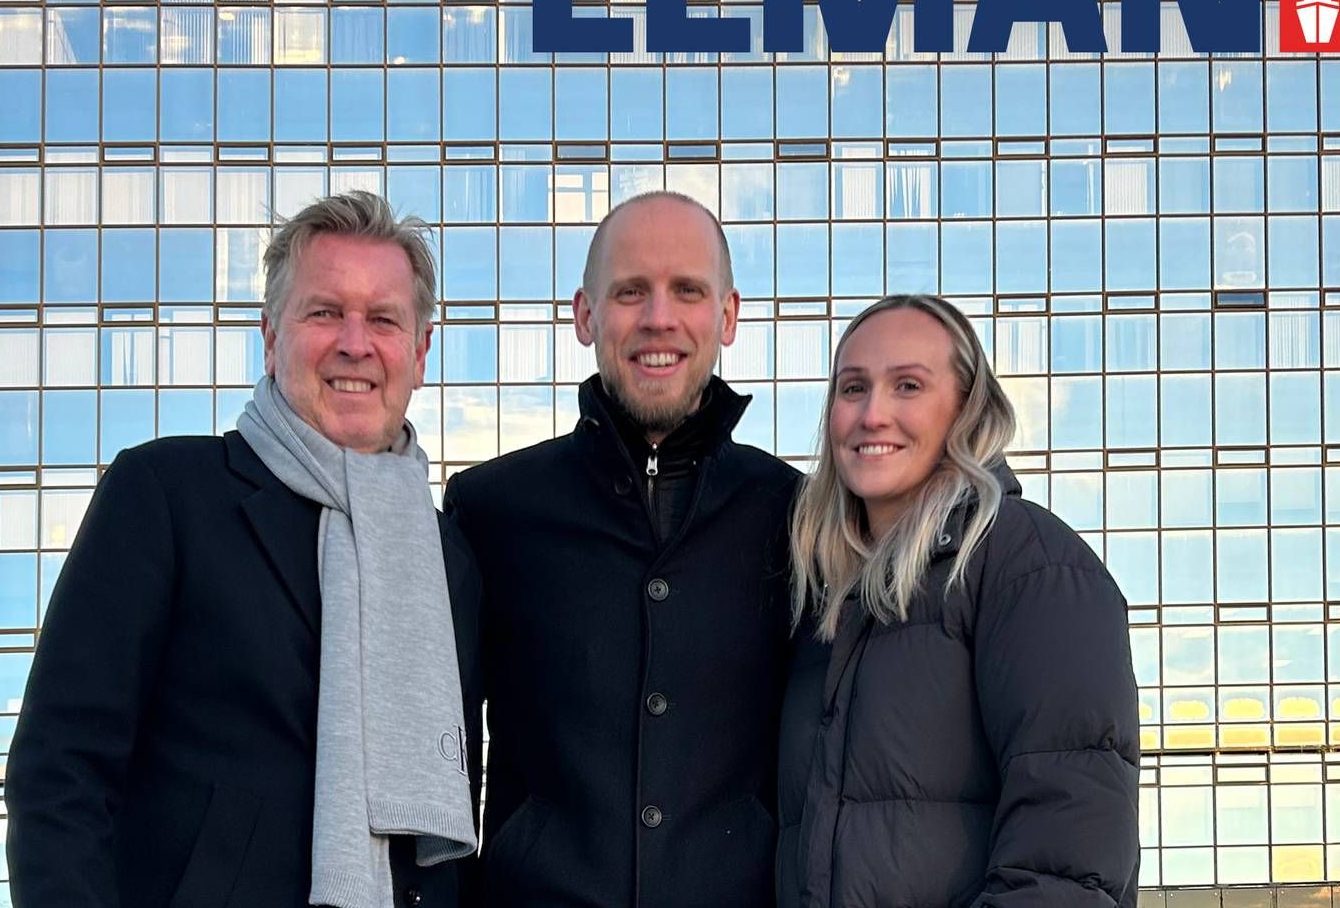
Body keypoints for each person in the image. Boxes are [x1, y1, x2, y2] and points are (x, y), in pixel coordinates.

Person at [6, 191, 482, 908]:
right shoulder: (166, 495)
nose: (356, 342)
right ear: (270, 334)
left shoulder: (451, 558)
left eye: (383, 319)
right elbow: (60, 773)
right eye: (325, 312)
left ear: (419, 351)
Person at [444, 191, 801, 906]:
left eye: (687, 291)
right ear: (586, 315)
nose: (658, 318)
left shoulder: (798, 514)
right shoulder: (489, 509)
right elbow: (445, 760)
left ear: (727, 315)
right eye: (631, 291)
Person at [776, 294, 1140, 907]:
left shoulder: (1027, 562)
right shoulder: (824, 599)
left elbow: (1067, 857)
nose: (873, 414)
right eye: (852, 388)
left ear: (966, 409)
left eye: (909, 386)